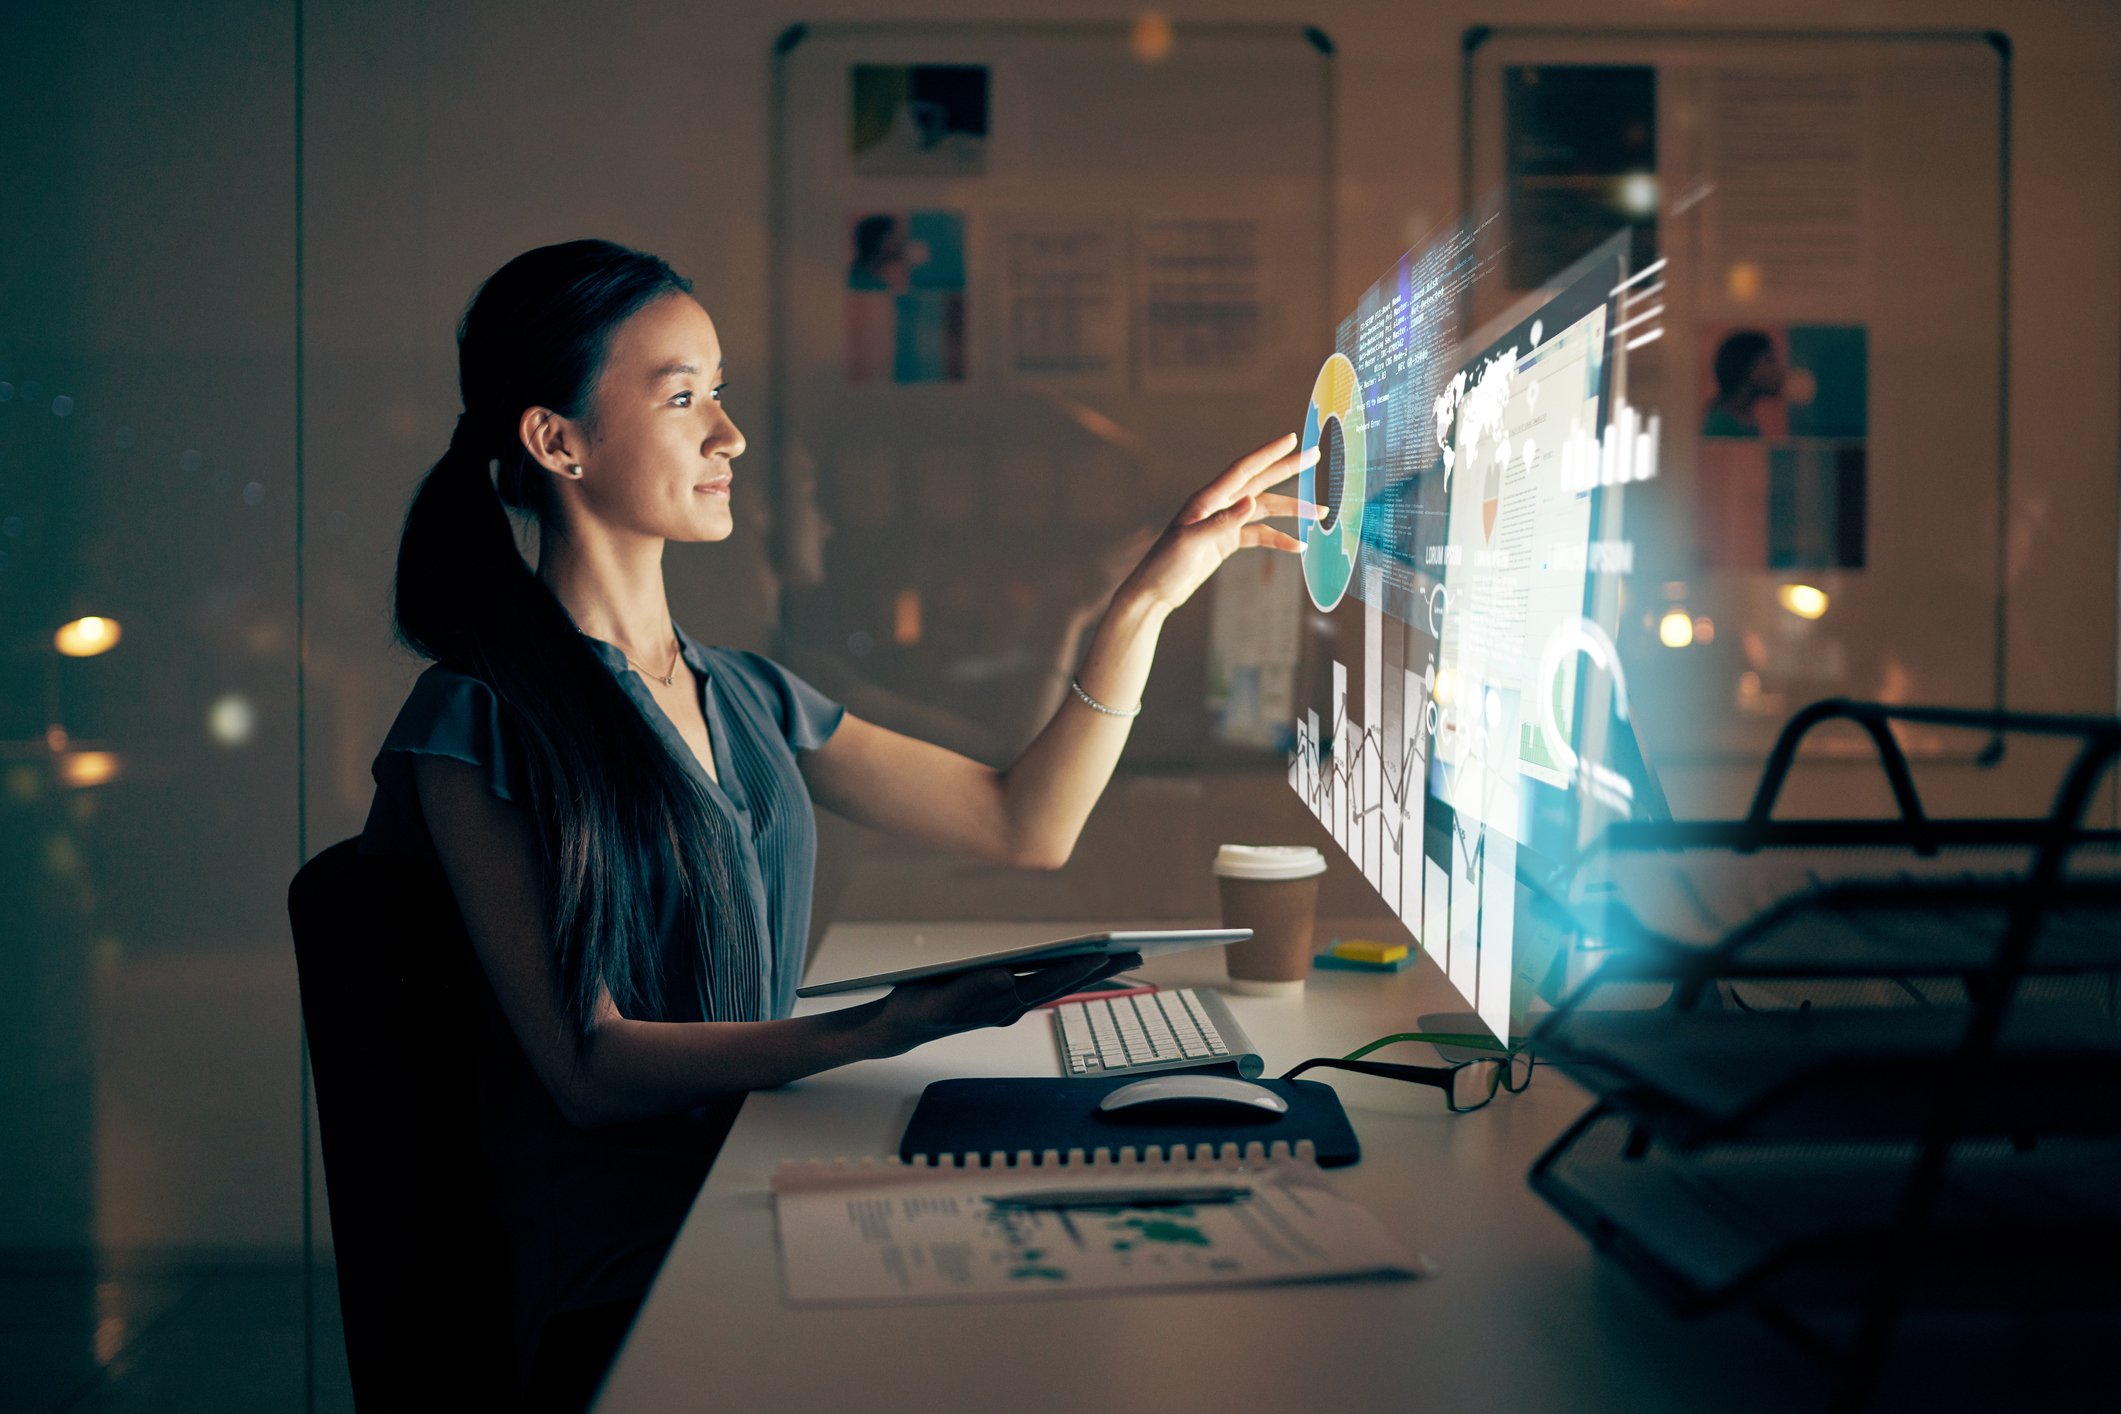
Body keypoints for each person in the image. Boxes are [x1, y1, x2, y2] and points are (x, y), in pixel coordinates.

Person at [358, 239, 1313, 1408]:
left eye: (720, 392)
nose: (730, 436)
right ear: (558, 442)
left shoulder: (746, 692)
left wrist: (1148, 600)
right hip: (639, 1274)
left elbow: (1026, 822)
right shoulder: (477, 718)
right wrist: (888, 1024)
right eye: (683, 398)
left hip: (766, 1176)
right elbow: (589, 1066)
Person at [1702, 329, 1784, 437]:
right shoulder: (1721, 427)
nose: (1779, 371)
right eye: (1770, 361)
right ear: (1746, 368)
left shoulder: (1746, 421)